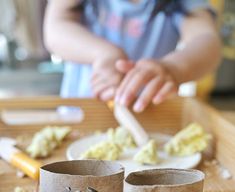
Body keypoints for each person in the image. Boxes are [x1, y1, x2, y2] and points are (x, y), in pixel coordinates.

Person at [44, 0, 221, 112]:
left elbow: (207, 41)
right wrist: (103, 54)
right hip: (80, 114)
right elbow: (54, 28)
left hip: (146, 116)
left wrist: (173, 68)